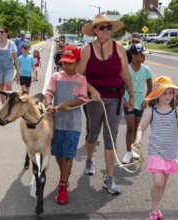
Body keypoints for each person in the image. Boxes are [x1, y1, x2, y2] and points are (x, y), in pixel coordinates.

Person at [76, 14, 135, 195]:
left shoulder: (119, 48)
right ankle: (89, 159)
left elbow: (125, 73)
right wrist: (91, 89)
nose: (105, 31)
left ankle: (109, 178)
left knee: (111, 135)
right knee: (93, 133)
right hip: (94, 100)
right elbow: (78, 76)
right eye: (101, 28)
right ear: (94, 30)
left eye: (108, 27)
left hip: (115, 98)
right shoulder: (87, 50)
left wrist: (132, 95)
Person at [133, 76, 178, 219]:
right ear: (156, 94)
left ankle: (157, 205)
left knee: (163, 184)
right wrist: (138, 138)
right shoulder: (151, 111)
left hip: (170, 151)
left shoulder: (177, 111)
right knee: (158, 182)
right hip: (156, 150)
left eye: (170, 92)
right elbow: (141, 127)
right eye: (164, 93)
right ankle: (154, 211)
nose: (168, 96)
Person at [45, 45, 88, 204]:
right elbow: (49, 93)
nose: (66, 66)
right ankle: (64, 174)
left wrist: (68, 103)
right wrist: (49, 103)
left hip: (73, 124)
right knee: (59, 154)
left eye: (70, 63)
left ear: (77, 62)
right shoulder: (56, 77)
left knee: (69, 155)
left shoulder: (81, 79)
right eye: (64, 63)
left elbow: (82, 99)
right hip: (56, 123)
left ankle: (62, 186)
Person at [122, 43, 152, 164]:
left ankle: (132, 149)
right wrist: (124, 99)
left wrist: (147, 100)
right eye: (141, 55)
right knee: (130, 126)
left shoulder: (146, 70)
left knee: (136, 126)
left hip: (140, 103)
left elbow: (150, 87)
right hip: (128, 103)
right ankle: (128, 152)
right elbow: (120, 86)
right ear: (133, 55)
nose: (144, 57)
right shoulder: (126, 69)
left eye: (144, 55)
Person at [0, 26, 20, 106]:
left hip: (8, 68)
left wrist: (18, 71)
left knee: (8, 84)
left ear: (6, 33)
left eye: (2, 32)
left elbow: (15, 58)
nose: (0, 33)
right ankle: (3, 105)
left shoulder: (11, 44)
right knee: (0, 87)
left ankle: (9, 104)